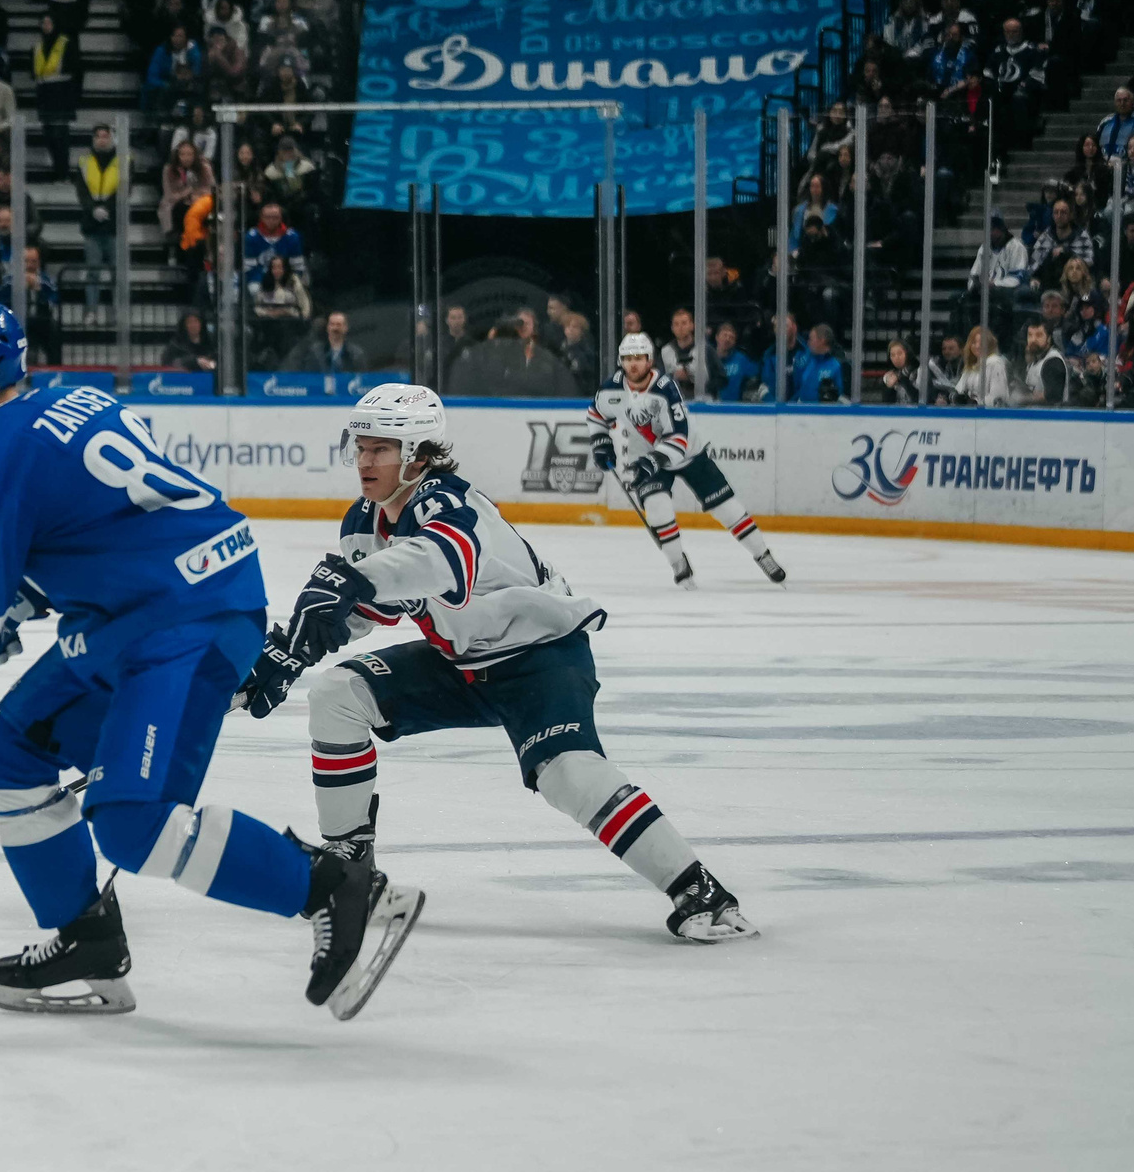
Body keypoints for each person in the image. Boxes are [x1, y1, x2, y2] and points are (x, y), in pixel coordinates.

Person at [0, 300, 418, 1019]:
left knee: (131, 820)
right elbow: (90, 528)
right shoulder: (74, 400)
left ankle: (334, 888)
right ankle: (85, 940)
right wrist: (16, 603)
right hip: (149, 608)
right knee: (6, 755)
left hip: (180, 621)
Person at [238, 384, 754, 946]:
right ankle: (351, 871)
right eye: (361, 447)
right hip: (460, 662)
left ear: (418, 453)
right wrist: (285, 652)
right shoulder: (364, 521)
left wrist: (355, 580)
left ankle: (698, 888)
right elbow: (357, 608)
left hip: (542, 655)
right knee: (335, 696)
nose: (365, 461)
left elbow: (443, 559)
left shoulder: (449, 501)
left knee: (567, 775)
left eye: (381, 448)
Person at [587, 331, 786, 588]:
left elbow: (679, 438)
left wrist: (654, 460)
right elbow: (595, 414)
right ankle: (678, 565)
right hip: (646, 458)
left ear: (650, 361)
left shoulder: (665, 388)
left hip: (689, 455)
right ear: (620, 361)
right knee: (657, 510)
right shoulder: (610, 390)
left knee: (726, 507)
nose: (633, 363)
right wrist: (600, 441)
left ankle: (763, 555)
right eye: (627, 358)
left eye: (639, 357)